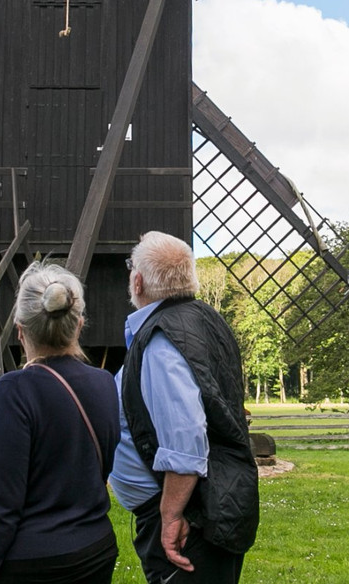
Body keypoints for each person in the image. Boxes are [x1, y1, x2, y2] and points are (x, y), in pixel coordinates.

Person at [0, 262, 120, 584]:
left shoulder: (13, 392)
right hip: (93, 550)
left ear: (20, 330)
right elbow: (97, 470)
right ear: (79, 325)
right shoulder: (105, 383)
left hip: (31, 564)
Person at [110, 231, 258, 584]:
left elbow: (185, 437)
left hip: (188, 517)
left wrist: (171, 514)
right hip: (212, 499)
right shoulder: (205, 320)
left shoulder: (162, 339)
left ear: (138, 280)